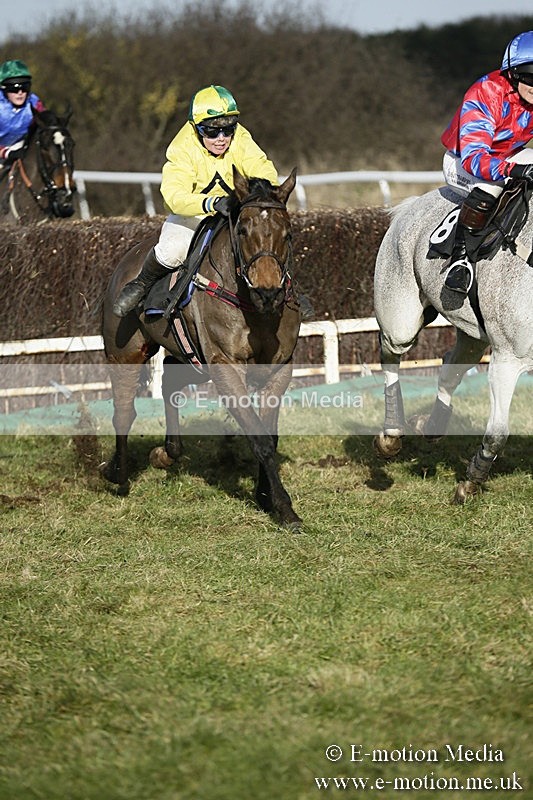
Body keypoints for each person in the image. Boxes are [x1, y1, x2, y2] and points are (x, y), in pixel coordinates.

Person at [114, 84, 283, 316]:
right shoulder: (181, 148)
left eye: (228, 129)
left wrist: (255, 192)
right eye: (211, 132)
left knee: (269, 237)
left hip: (234, 211)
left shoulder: (241, 137)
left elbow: (263, 168)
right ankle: (143, 283)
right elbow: (173, 197)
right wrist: (211, 204)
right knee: (172, 250)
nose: (221, 139)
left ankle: (291, 292)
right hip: (192, 215)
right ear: (196, 128)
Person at [440, 30, 533, 293]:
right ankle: (460, 261)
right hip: (464, 161)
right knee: (493, 183)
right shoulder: (486, 93)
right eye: (529, 75)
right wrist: (515, 170)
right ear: (512, 74)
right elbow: (475, 158)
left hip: (511, 154)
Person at [0, 59, 45, 164]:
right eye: (14, 88)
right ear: (4, 89)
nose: (20, 92)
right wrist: (6, 153)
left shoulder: (34, 104)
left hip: (20, 147)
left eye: (24, 87)